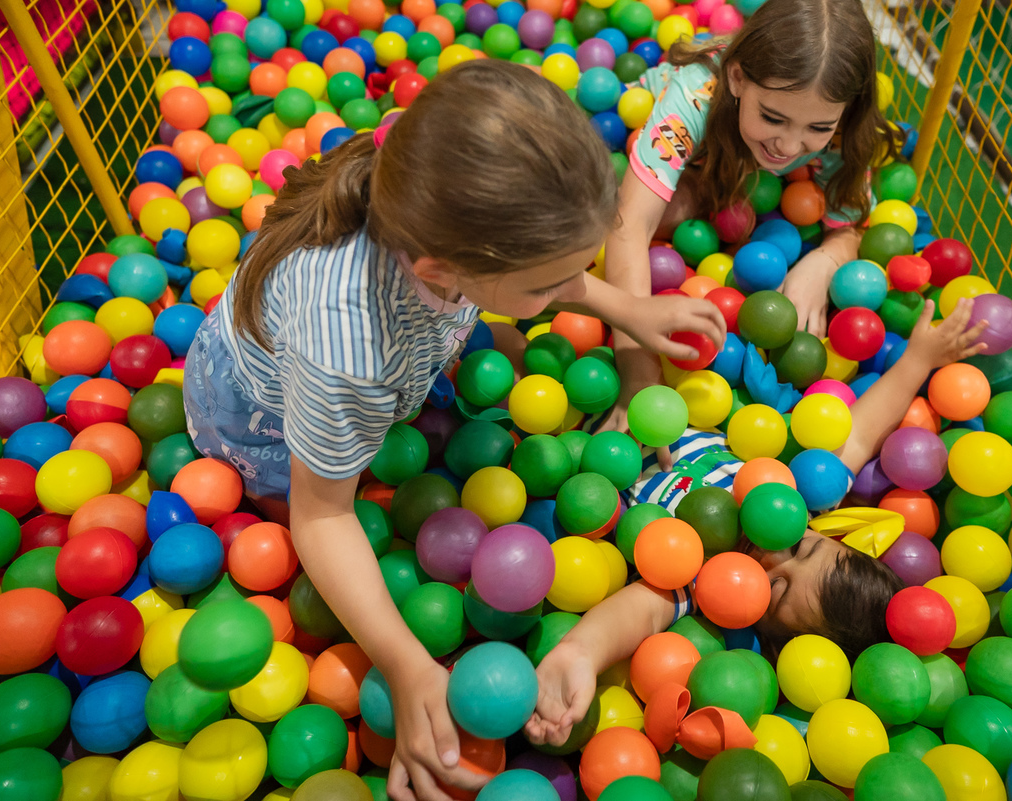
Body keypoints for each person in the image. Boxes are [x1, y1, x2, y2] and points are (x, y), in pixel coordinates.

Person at [183, 61, 725, 801]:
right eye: (545, 285)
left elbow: (550, 262)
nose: (567, 289)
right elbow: (323, 513)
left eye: (575, 267)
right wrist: (405, 663)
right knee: (334, 536)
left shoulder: (434, 176)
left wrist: (631, 310)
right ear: (444, 268)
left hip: (407, 336)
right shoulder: (351, 347)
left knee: (492, 354)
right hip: (263, 422)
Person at [525, 297, 988, 748]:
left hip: (560, 436)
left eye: (777, 589)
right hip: (635, 388)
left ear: (761, 629)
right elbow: (861, 432)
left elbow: (639, 611)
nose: (771, 557)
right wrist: (920, 358)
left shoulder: (701, 578)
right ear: (823, 532)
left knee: (514, 349)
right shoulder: (802, 497)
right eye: (802, 549)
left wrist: (579, 652)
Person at [602, 0, 899, 458]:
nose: (789, 143)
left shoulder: (844, 129)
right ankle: (710, 189)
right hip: (692, 148)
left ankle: (725, 185)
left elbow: (851, 224)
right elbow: (628, 227)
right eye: (773, 117)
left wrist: (823, 262)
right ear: (738, 78)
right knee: (646, 211)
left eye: (816, 127)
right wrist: (639, 379)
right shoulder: (699, 92)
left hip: (738, 170)